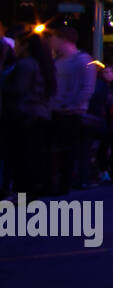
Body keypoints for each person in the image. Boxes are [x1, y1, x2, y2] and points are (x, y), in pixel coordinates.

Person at [1, 30, 55, 197]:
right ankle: (31, 190)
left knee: (22, 156)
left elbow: (18, 90)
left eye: (17, 43)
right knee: (32, 155)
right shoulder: (41, 64)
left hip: (24, 115)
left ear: (25, 45)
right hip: (37, 114)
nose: (14, 47)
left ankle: (23, 191)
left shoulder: (25, 64)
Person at [49, 26, 97, 193]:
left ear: (63, 39)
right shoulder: (57, 61)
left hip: (72, 113)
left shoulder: (83, 61)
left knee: (68, 149)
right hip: (56, 110)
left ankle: (66, 183)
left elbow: (87, 88)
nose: (51, 42)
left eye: (54, 38)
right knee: (58, 149)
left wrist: (70, 105)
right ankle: (58, 182)